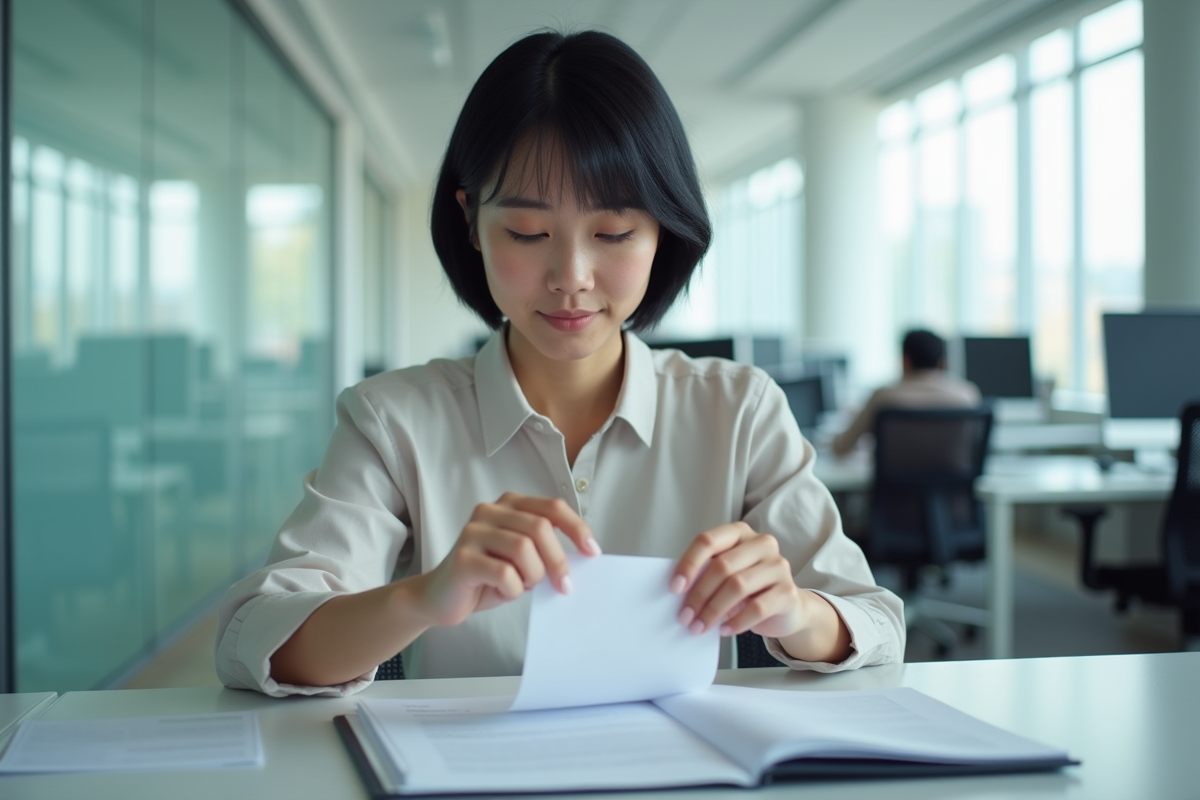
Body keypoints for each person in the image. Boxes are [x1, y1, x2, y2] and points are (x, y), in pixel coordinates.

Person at [215, 30, 904, 697]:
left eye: (612, 232)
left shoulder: (739, 409)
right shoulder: (392, 419)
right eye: (528, 232)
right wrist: (421, 598)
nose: (571, 276)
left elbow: (876, 623)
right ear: (470, 221)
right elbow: (253, 639)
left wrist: (797, 613)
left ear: (663, 229)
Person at [830, 329, 981, 457]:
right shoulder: (968, 395)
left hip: (892, 491)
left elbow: (842, 448)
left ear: (905, 360)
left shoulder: (884, 397)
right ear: (942, 363)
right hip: (952, 491)